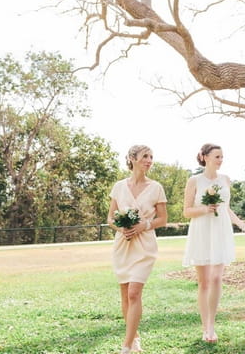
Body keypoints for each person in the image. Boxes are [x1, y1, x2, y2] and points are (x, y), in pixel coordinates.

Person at [182, 143, 245, 343]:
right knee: (204, 281)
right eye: (217, 156)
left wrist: (242, 225)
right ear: (204, 157)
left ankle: (212, 325)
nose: (220, 160)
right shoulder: (194, 181)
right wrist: (205, 208)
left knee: (216, 278)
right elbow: (186, 211)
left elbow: (226, 209)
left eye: (222, 156)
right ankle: (205, 327)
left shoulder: (226, 180)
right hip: (201, 231)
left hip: (221, 231)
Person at [107, 145, 168, 354]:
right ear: (132, 159)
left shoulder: (156, 187)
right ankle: (134, 338)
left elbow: (163, 219)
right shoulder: (119, 186)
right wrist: (121, 228)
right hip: (123, 245)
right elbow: (110, 217)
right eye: (145, 156)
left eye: (151, 156)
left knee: (134, 292)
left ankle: (125, 346)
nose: (149, 160)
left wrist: (144, 225)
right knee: (125, 294)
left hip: (145, 245)